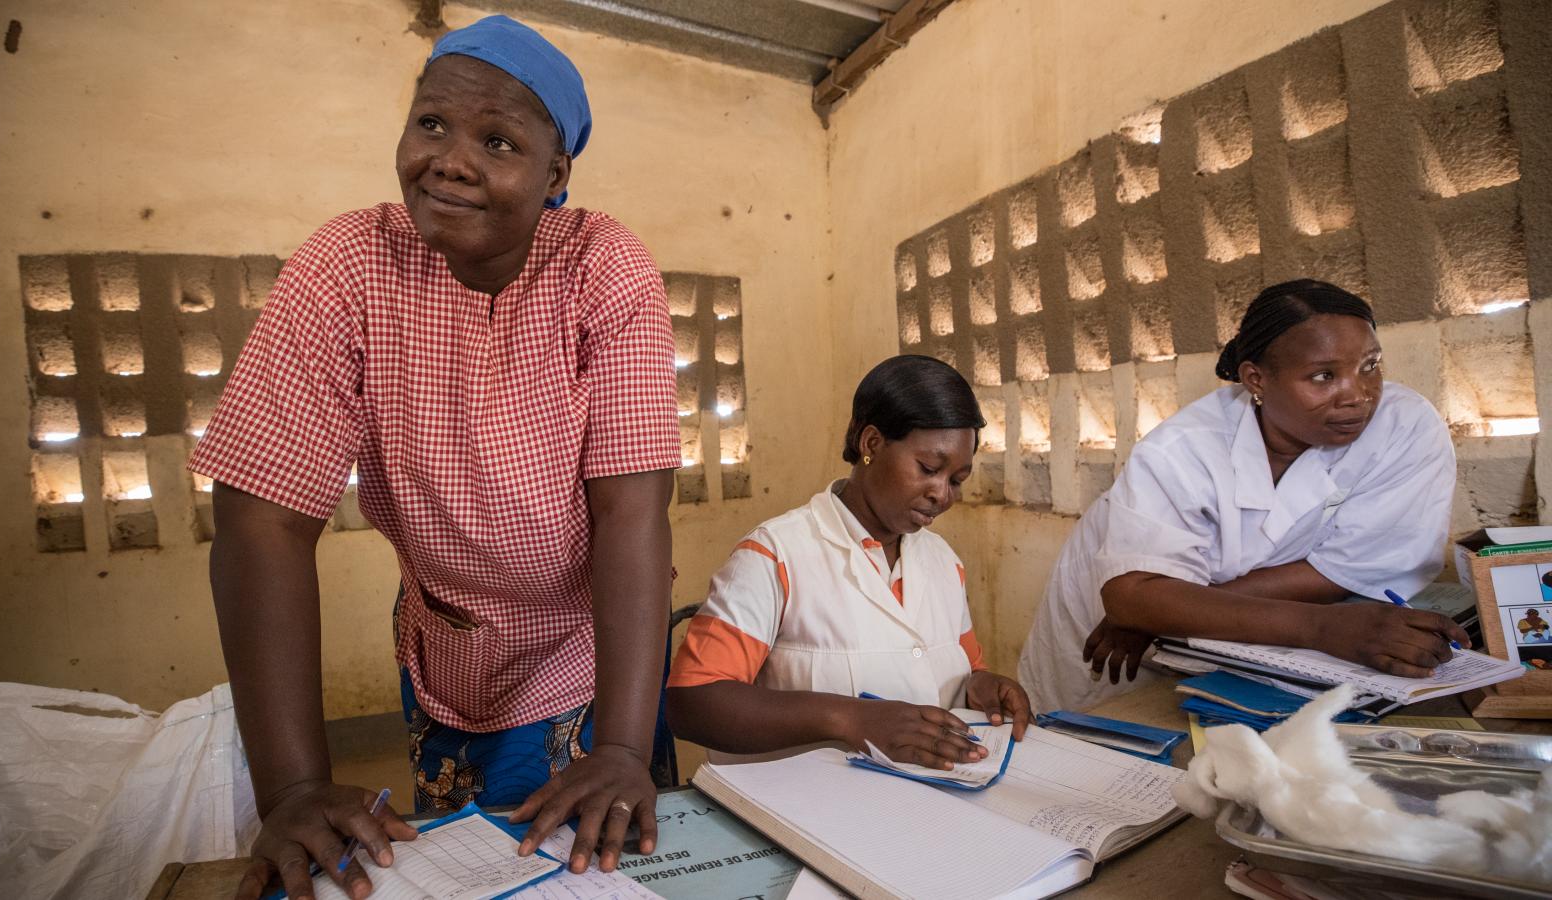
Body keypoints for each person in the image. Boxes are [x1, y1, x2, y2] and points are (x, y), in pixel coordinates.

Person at [190, 16, 680, 900]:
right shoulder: (347, 266)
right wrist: (295, 789)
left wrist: (618, 747)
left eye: (497, 140)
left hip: (590, 654)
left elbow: (632, 514)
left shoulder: (604, 269)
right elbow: (261, 518)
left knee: (597, 872)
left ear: (554, 174)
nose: (450, 159)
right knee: (463, 875)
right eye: (430, 124)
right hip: (446, 654)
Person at [1019, 279, 1470, 714]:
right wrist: (1153, 609)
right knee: (1105, 748)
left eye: (1370, 366)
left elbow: (1354, 565)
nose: (1358, 395)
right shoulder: (1183, 449)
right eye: (1322, 376)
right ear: (1256, 378)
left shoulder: (1404, 426)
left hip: (1237, 644)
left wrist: (1171, 611)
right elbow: (1131, 595)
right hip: (1108, 648)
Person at [665, 355, 1031, 768]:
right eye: (929, 468)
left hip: (924, 807)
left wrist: (979, 685)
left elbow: (960, 669)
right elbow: (693, 702)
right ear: (871, 444)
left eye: (956, 481)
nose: (942, 494)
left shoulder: (944, 562)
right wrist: (850, 718)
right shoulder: (776, 555)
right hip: (808, 811)